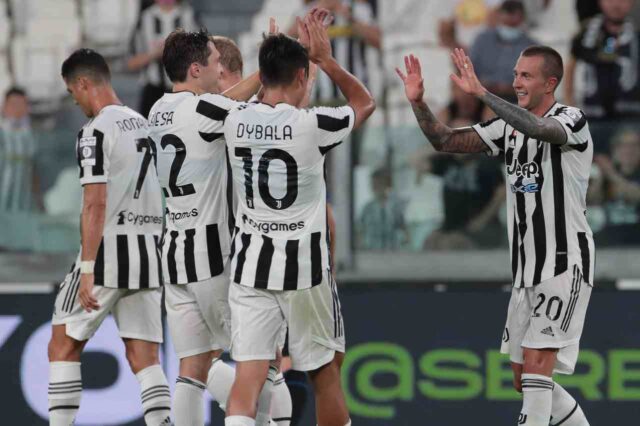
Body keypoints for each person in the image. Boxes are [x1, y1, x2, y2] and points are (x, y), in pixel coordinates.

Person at [191, 9, 374, 425]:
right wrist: (327, 59)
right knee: (325, 375)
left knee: (249, 378)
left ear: (264, 75)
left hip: (251, 269)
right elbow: (365, 102)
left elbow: (209, 110)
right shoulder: (314, 124)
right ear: (302, 77)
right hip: (305, 272)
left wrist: (264, 67)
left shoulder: (234, 118)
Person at [397, 45, 594, 425]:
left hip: (564, 261)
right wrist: (418, 103)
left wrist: (483, 94)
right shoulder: (506, 129)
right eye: (516, 74)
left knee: (537, 366)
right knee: (524, 378)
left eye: (526, 76)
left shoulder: (572, 119)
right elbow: (445, 141)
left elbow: (540, 129)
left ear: (550, 83)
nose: (517, 82)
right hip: (525, 269)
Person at [148, 27, 292, 425]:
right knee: (261, 359)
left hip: (173, 254)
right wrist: (272, 61)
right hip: (211, 253)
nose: (219, 70)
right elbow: (243, 105)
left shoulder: (158, 109)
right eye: (214, 62)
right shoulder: (202, 111)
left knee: (192, 366)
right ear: (196, 69)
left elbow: (226, 104)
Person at [48, 49, 170, 426]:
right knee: (145, 359)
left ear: (84, 83)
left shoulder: (95, 131)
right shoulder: (143, 123)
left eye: (73, 92)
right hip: (148, 254)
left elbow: (95, 202)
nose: (75, 100)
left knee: (62, 343)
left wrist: (87, 268)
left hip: (108, 255)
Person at [565, 0, 640, 120]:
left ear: (631, 2)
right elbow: (570, 68)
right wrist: (570, 104)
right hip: (592, 113)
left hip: (631, 115)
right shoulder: (585, 32)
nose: (616, 5)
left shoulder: (636, 33)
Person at [128, 0, 199, 117]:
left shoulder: (188, 15)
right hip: (153, 90)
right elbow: (131, 63)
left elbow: (202, 54)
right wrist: (154, 54)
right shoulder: (145, 18)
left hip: (183, 89)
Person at [470, 0, 537, 102]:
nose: (508, 28)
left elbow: (534, 82)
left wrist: (510, 88)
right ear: (499, 17)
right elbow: (470, 70)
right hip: (481, 97)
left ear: (522, 19)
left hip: (515, 100)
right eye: (506, 24)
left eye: (513, 25)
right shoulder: (482, 40)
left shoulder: (532, 47)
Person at [591, 127, 640, 245]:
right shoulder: (604, 174)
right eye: (623, 145)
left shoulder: (611, 173)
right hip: (608, 240)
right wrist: (600, 176)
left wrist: (611, 174)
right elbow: (592, 200)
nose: (628, 150)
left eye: (634, 145)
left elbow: (636, 195)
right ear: (614, 150)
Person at [0, 87, 40, 212]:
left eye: (21, 104)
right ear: (4, 107)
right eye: (13, 104)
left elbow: (34, 171)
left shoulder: (34, 137)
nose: (17, 109)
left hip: (24, 206)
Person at [357, 168, 407, 250]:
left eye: (379, 183)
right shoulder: (367, 208)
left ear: (387, 184)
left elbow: (404, 230)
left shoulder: (395, 207)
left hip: (392, 251)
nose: (376, 187)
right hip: (371, 252)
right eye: (374, 184)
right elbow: (360, 232)